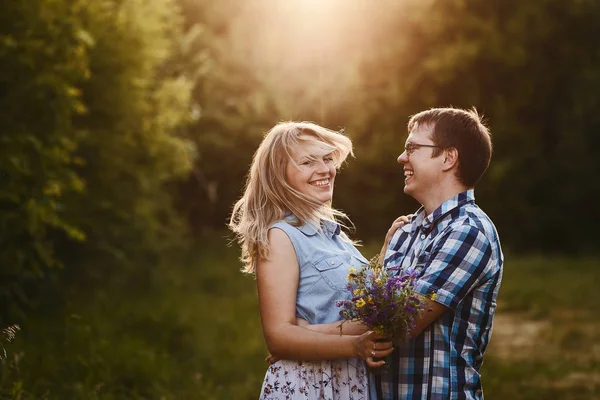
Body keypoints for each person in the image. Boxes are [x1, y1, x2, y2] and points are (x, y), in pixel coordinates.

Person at [229, 121, 398, 400]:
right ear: (279, 175)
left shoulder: (335, 236)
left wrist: (387, 251)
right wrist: (354, 346)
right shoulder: (281, 236)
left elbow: (361, 311)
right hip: (310, 385)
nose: (325, 169)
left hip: (348, 382)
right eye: (308, 162)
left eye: (327, 159)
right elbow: (278, 337)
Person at [374, 107, 504, 399]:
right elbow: (372, 310)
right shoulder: (405, 231)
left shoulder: (469, 230)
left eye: (412, 148)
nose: (401, 157)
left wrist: (311, 338)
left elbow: (399, 323)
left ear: (448, 157)